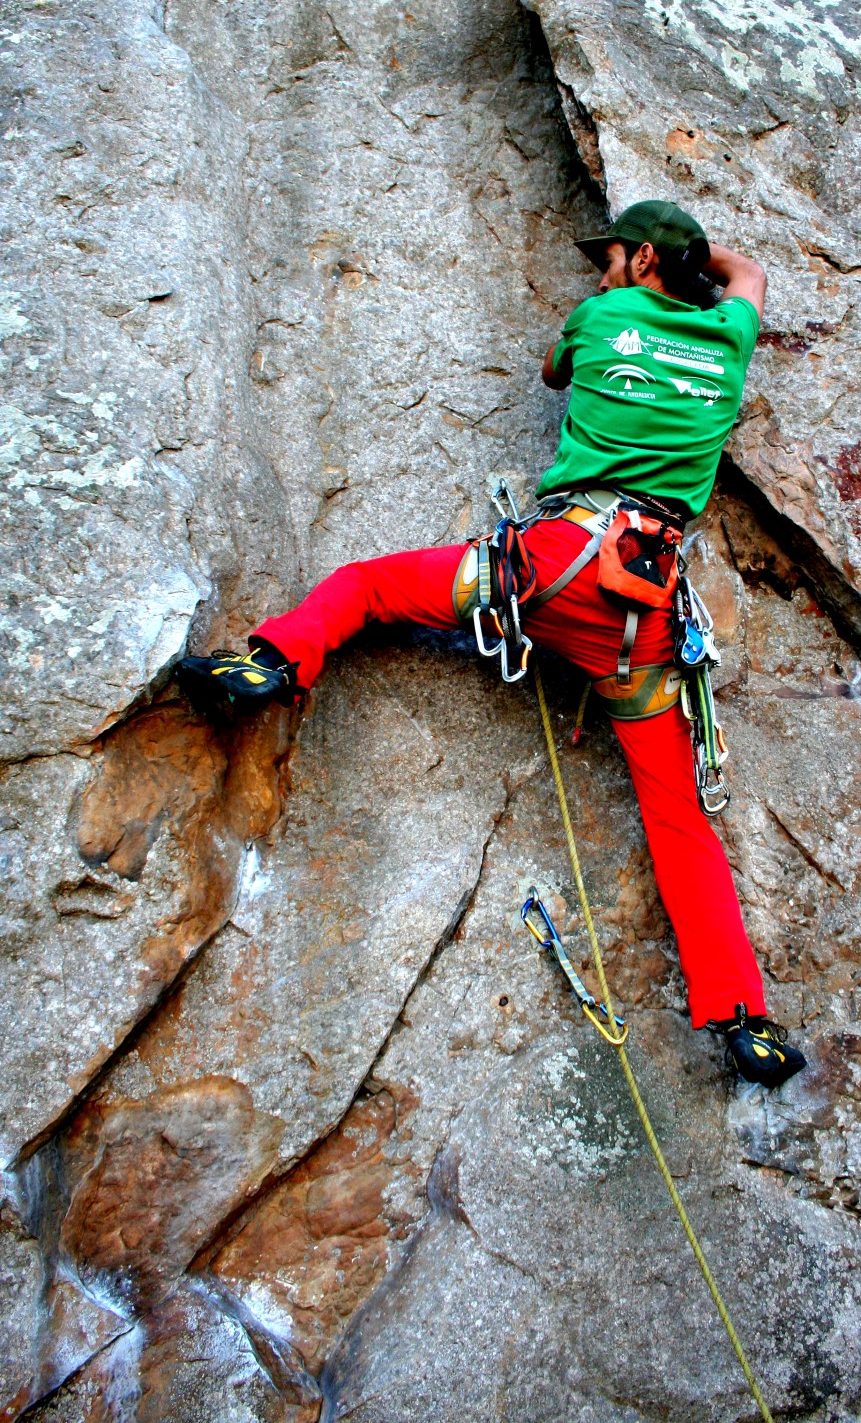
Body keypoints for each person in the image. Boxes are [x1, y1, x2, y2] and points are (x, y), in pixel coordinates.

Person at [178, 201, 806, 1088]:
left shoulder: (600, 318)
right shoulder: (731, 339)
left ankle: (270, 662)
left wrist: (646, 287)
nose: (599, 273)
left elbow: (555, 372)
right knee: (678, 819)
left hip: (547, 569)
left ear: (641, 262)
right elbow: (750, 280)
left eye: (611, 258)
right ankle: (745, 1019)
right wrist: (698, 266)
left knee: (369, 586)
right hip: (640, 617)